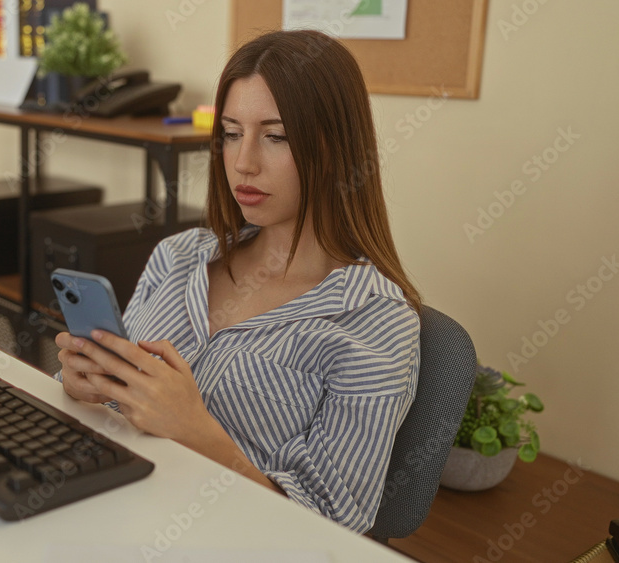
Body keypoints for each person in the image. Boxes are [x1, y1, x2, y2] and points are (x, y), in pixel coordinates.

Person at [54, 29, 421, 534]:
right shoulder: (179, 256)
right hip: (102, 509)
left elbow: (331, 528)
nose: (243, 162)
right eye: (230, 133)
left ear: (336, 146)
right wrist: (83, 385)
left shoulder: (377, 324)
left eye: (276, 136)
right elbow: (115, 398)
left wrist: (199, 433)